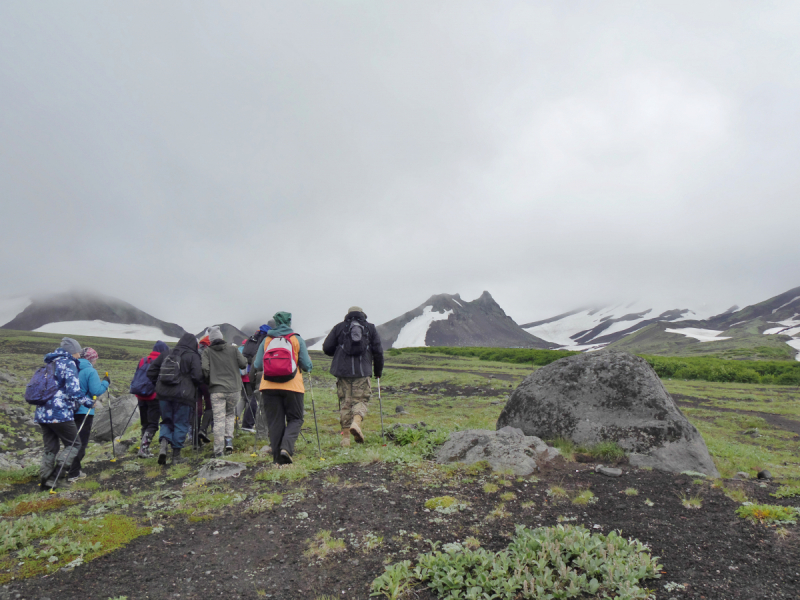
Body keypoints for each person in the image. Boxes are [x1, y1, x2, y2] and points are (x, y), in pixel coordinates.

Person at [35, 337, 94, 489]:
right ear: (72, 352)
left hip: (42, 412)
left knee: (50, 448)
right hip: (59, 412)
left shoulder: (50, 362)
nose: (79, 355)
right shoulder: (68, 363)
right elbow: (74, 391)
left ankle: (45, 480)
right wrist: (88, 402)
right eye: (78, 352)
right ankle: (56, 477)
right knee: (74, 444)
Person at [322, 306, 384, 447]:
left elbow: (326, 348)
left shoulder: (339, 327)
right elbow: (378, 352)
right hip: (362, 372)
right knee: (361, 400)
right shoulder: (370, 328)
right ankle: (356, 422)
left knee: (345, 402)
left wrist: (339, 351)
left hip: (343, 372)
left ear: (348, 315)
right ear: (362, 314)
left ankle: (345, 439)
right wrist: (378, 371)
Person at [256, 312, 312, 465]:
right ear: (289, 322)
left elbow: (257, 365)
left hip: (268, 386)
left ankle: (277, 460)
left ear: (275, 322)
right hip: (292, 386)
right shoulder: (296, 339)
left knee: (275, 422)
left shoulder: (267, 340)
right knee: (296, 418)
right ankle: (286, 449)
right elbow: (307, 365)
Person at [147, 332, 203, 465]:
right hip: (183, 396)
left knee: (166, 421)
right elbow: (197, 376)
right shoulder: (193, 356)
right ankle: (176, 456)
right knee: (181, 423)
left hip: (163, 395)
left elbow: (151, 372)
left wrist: (159, 384)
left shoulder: (166, 353)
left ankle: (163, 446)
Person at [201, 326, 247, 457]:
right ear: (221, 337)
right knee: (230, 414)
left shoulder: (207, 352)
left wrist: (210, 378)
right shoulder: (233, 349)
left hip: (216, 390)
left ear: (211, 340)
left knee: (219, 418)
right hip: (234, 389)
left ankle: (218, 450)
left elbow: (204, 368)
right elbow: (243, 364)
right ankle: (228, 441)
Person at [67, 347, 110, 481]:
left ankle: (67, 469)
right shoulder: (90, 371)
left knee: (71, 441)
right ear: (91, 359)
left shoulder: (72, 369)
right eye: (95, 358)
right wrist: (105, 382)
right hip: (85, 411)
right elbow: (96, 391)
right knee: (81, 442)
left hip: (69, 409)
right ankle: (73, 473)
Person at [131, 341, 170, 458]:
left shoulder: (143, 360)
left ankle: (143, 447)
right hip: (154, 396)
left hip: (140, 396)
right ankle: (143, 449)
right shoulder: (162, 361)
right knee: (153, 424)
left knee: (145, 423)